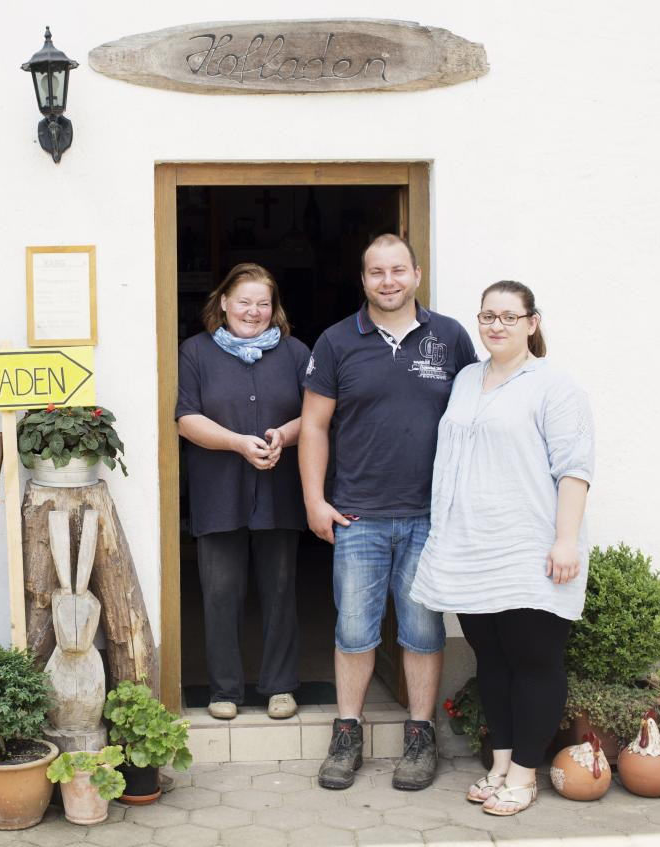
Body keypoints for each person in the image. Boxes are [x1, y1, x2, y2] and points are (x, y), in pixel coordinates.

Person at [300, 233, 477, 791]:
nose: (388, 281)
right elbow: (314, 426)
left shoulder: (449, 338)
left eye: (398, 270)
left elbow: (477, 420)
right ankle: (346, 736)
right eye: (376, 272)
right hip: (358, 516)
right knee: (355, 631)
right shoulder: (335, 342)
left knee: (424, 632)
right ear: (364, 280)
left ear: (417, 274)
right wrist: (314, 500)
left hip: (431, 517)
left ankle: (419, 739)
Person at [410, 281, 593, 816]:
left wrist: (565, 541)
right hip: (470, 546)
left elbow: (574, 468)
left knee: (533, 659)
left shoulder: (553, 386)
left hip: (529, 546)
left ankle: (525, 773)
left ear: (532, 323)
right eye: (488, 316)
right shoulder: (468, 379)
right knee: (491, 657)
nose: (496, 325)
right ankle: (500, 763)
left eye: (509, 317)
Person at [177, 263, 310, 721]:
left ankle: (280, 687)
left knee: (279, 588)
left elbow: (315, 414)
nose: (253, 312)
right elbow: (186, 418)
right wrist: (236, 442)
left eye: (263, 303)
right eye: (245, 302)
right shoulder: (195, 352)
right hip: (218, 490)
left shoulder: (295, 353)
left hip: (279, 487)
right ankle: (224, 690)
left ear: (274, 310)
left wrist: (283, 437)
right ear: (224, 303)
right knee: (220, 591)